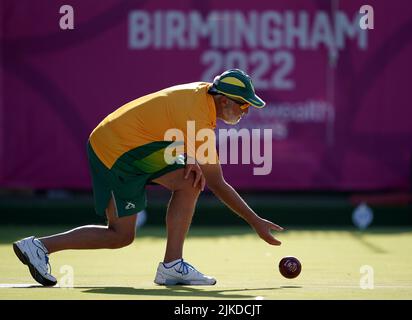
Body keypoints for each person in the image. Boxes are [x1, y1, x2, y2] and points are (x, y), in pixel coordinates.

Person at [13, 69, 284, 286]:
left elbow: (171, 122)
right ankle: (39, 247)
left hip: (143, 144)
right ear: (224, 100)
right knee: (120, 235)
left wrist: (191, 158)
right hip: (116, 150)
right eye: (243, 105)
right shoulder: (199, 117)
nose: (245, 112)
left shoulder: (205, 96)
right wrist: (255, 222)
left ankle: (172, 266)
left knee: (191, 181)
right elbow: (218, 183)